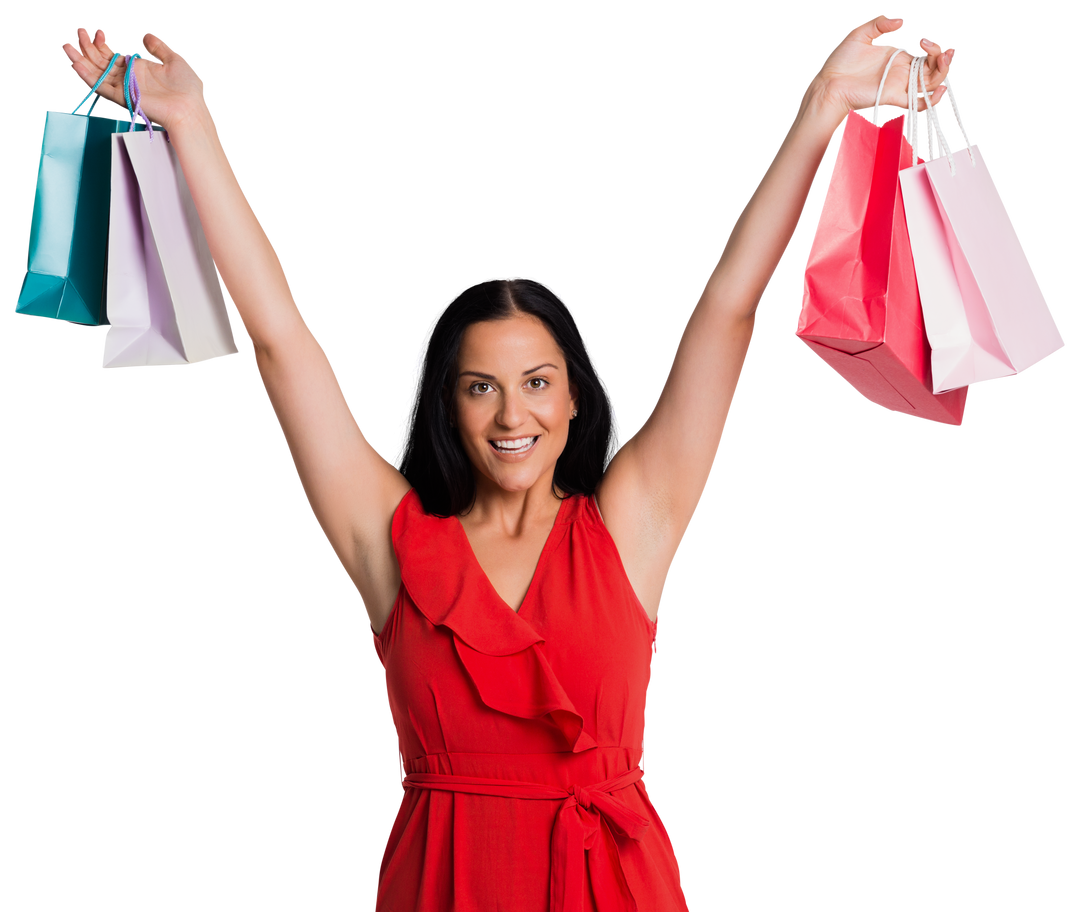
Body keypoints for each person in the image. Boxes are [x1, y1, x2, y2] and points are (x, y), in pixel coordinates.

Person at [60, 14, 957, 910]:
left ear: (574, 396)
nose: (512, 414)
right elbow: (279, 338)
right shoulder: (392, 542)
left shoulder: (631, 524)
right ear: (448, 404)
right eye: (479, 387)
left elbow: (731, 303)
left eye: (536, 381)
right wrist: (194, 124)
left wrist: (821, 107)